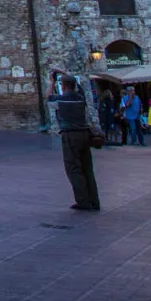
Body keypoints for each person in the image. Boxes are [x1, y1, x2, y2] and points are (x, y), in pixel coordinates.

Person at [47, 72, 99, 212]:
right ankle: (94, 200)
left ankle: (83, 201)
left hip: (70, 135)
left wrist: (52, 82)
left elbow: (48, 97)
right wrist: (64, 73)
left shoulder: (61, 100)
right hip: (85, 134)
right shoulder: (80, 98)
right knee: (87, 168)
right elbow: (79, 84)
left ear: (63, 86)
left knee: (73, 168)